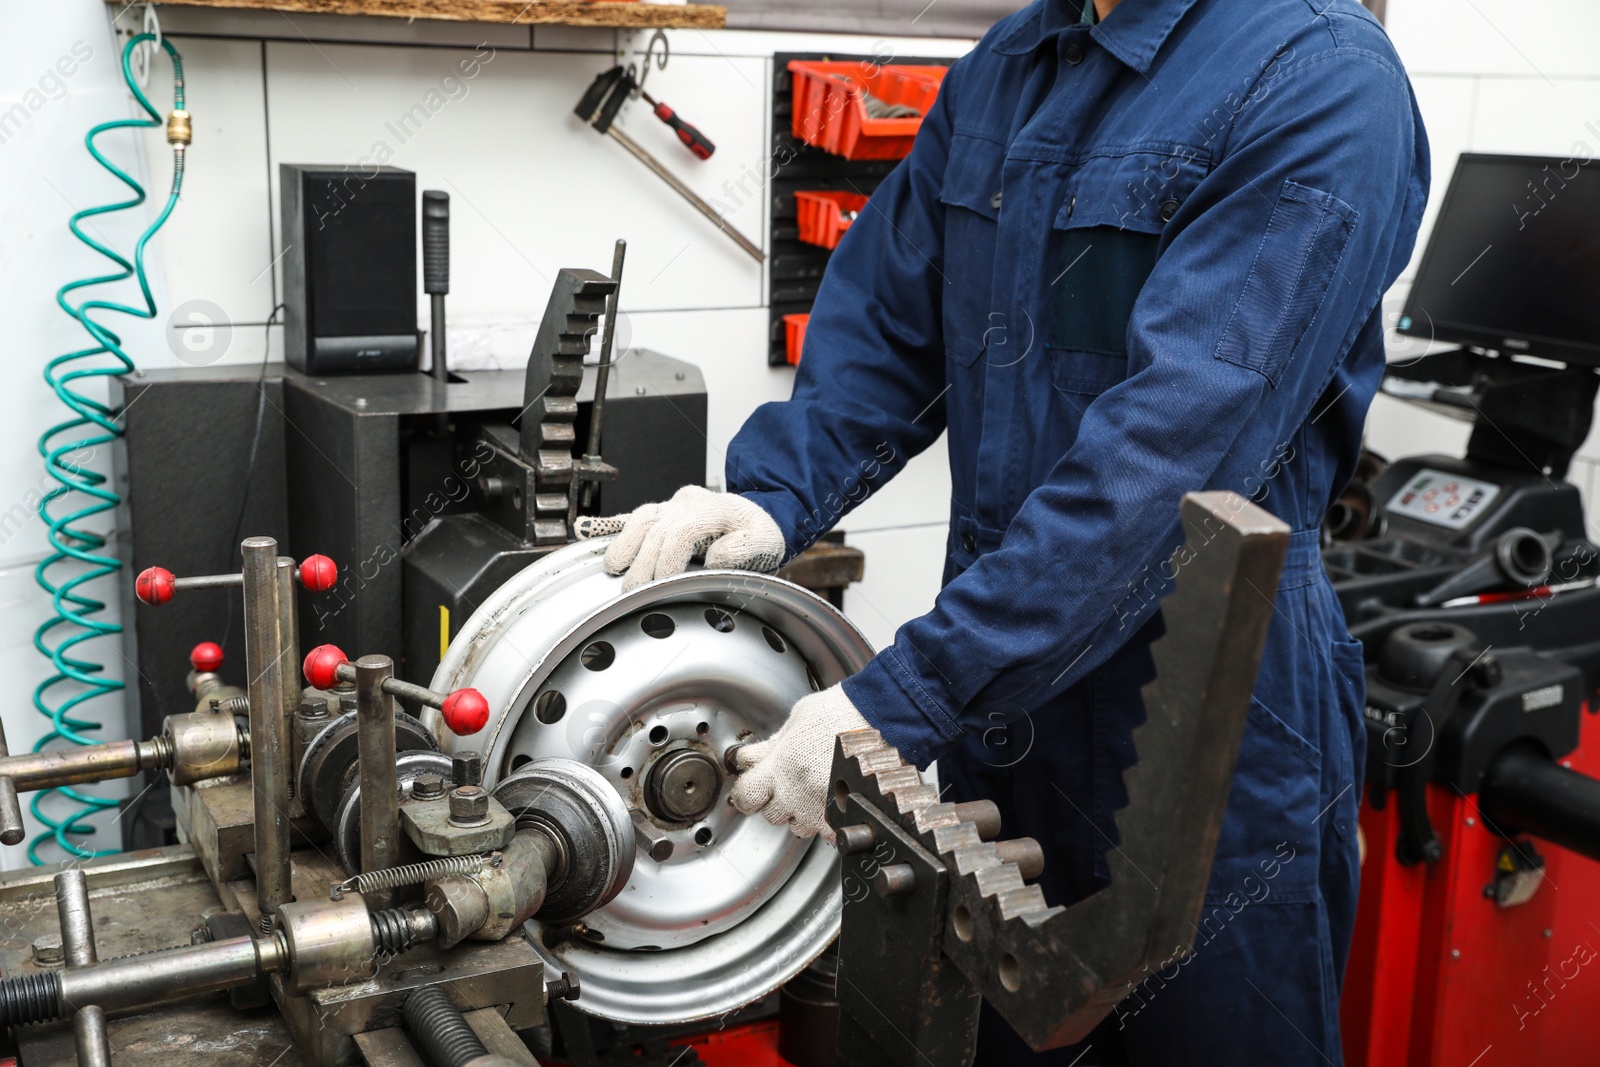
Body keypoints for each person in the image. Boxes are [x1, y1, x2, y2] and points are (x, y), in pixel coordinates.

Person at [582, 0, 1427, 1062]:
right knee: (1003, 1034)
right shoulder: (1013, 62)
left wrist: (898, 701)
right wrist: (771, 497)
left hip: (1212, 713)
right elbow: (894, 322)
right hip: (1007, 703)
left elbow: (1166, 464)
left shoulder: (1318, 77)